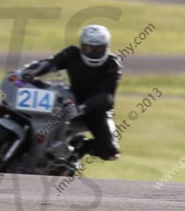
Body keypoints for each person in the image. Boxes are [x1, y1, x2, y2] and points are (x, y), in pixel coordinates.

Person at [22, 24, 121, 160]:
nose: (93, 52)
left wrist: (83, 108)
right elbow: (51, 63)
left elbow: (107, 96)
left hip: (96, 110)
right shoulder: (72, 54)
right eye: (88, 48)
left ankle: (80, 146)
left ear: (106, 47)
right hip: (71, 99)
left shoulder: (112, 64)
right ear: (82, 46)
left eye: (98, 49)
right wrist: (29, 71)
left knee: (110, 152)